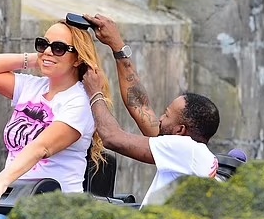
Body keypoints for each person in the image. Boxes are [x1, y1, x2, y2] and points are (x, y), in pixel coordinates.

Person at [0, 18, 112, 219]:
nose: (48, 51)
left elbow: (41, 147)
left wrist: (1, 180)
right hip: (15, 202)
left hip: (56, 209)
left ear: (77, 59)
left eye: (59, 48)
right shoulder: (32, 87)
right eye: (43, 44)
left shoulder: (79, 101)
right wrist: (40, 59)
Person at [81, 13, 219, 206]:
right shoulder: (187, 151)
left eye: (167, 115)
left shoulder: (185, 148)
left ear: (181, 130)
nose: (160, 118)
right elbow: (139, 105)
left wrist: (95, 91)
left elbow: (112, 138)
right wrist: (118, 46)